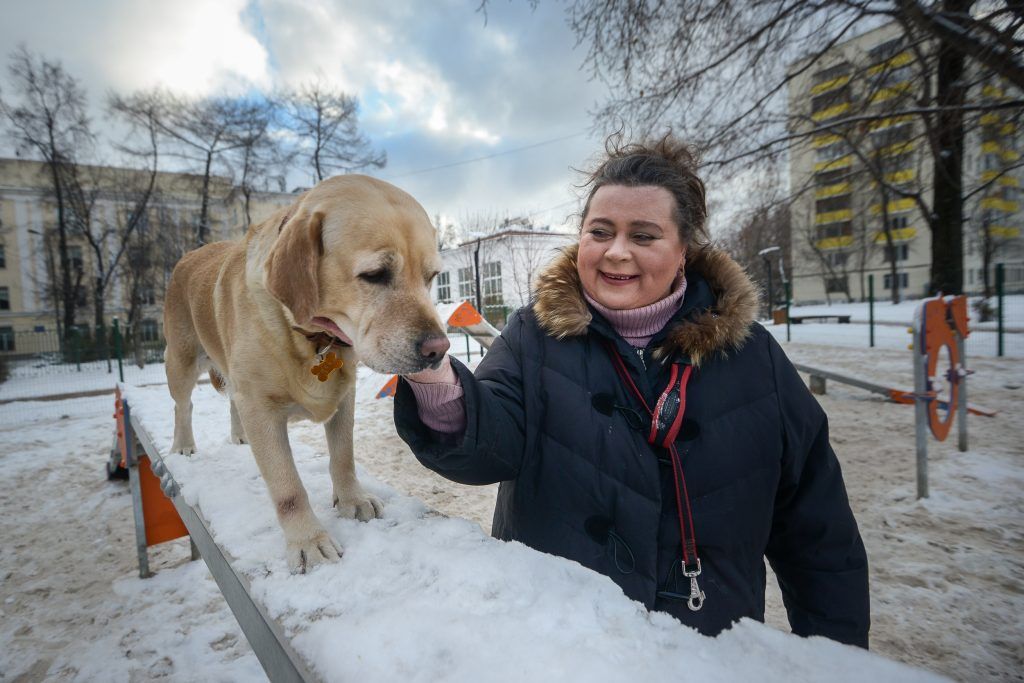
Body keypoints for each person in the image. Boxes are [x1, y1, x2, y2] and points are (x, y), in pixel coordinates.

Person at [393, 134, 870, 647]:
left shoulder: (754, 358)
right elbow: (486, 447)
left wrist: (839, 660)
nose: (616, 252)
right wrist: (428, 371)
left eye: (643, 236)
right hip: (558, 645)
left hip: (708, 650)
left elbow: (818, 534)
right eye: (600, 231)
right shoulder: (533, 336)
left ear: (683, 250)